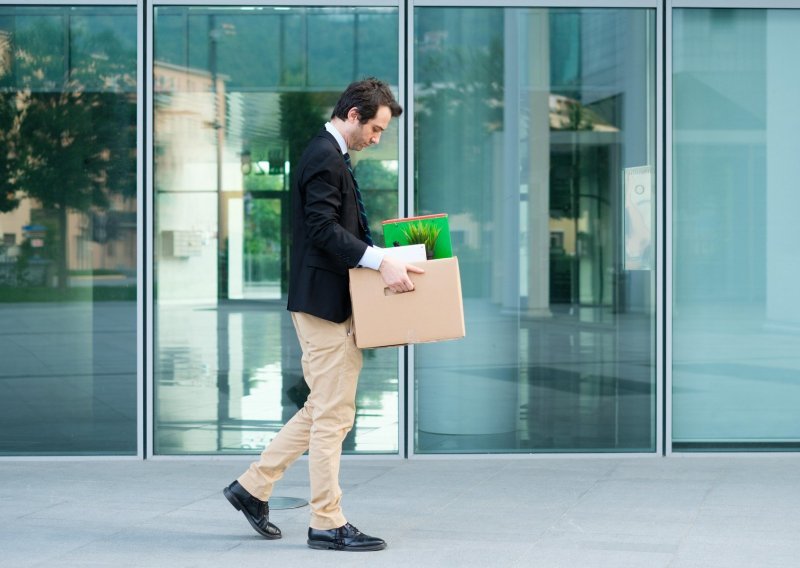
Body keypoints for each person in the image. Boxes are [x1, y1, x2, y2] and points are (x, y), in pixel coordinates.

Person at [223, 77, 423, 552]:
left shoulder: (331, 155)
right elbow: (322, 231)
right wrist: (378, 261)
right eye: (375, 129)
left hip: (328, 302)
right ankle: (327, 522)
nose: (376, 139)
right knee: (334, 416)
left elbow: (338, 229)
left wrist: (389, 255)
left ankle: (252, 487)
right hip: (324, 305)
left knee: (321, 409)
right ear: (353, 114)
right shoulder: (323, 157)